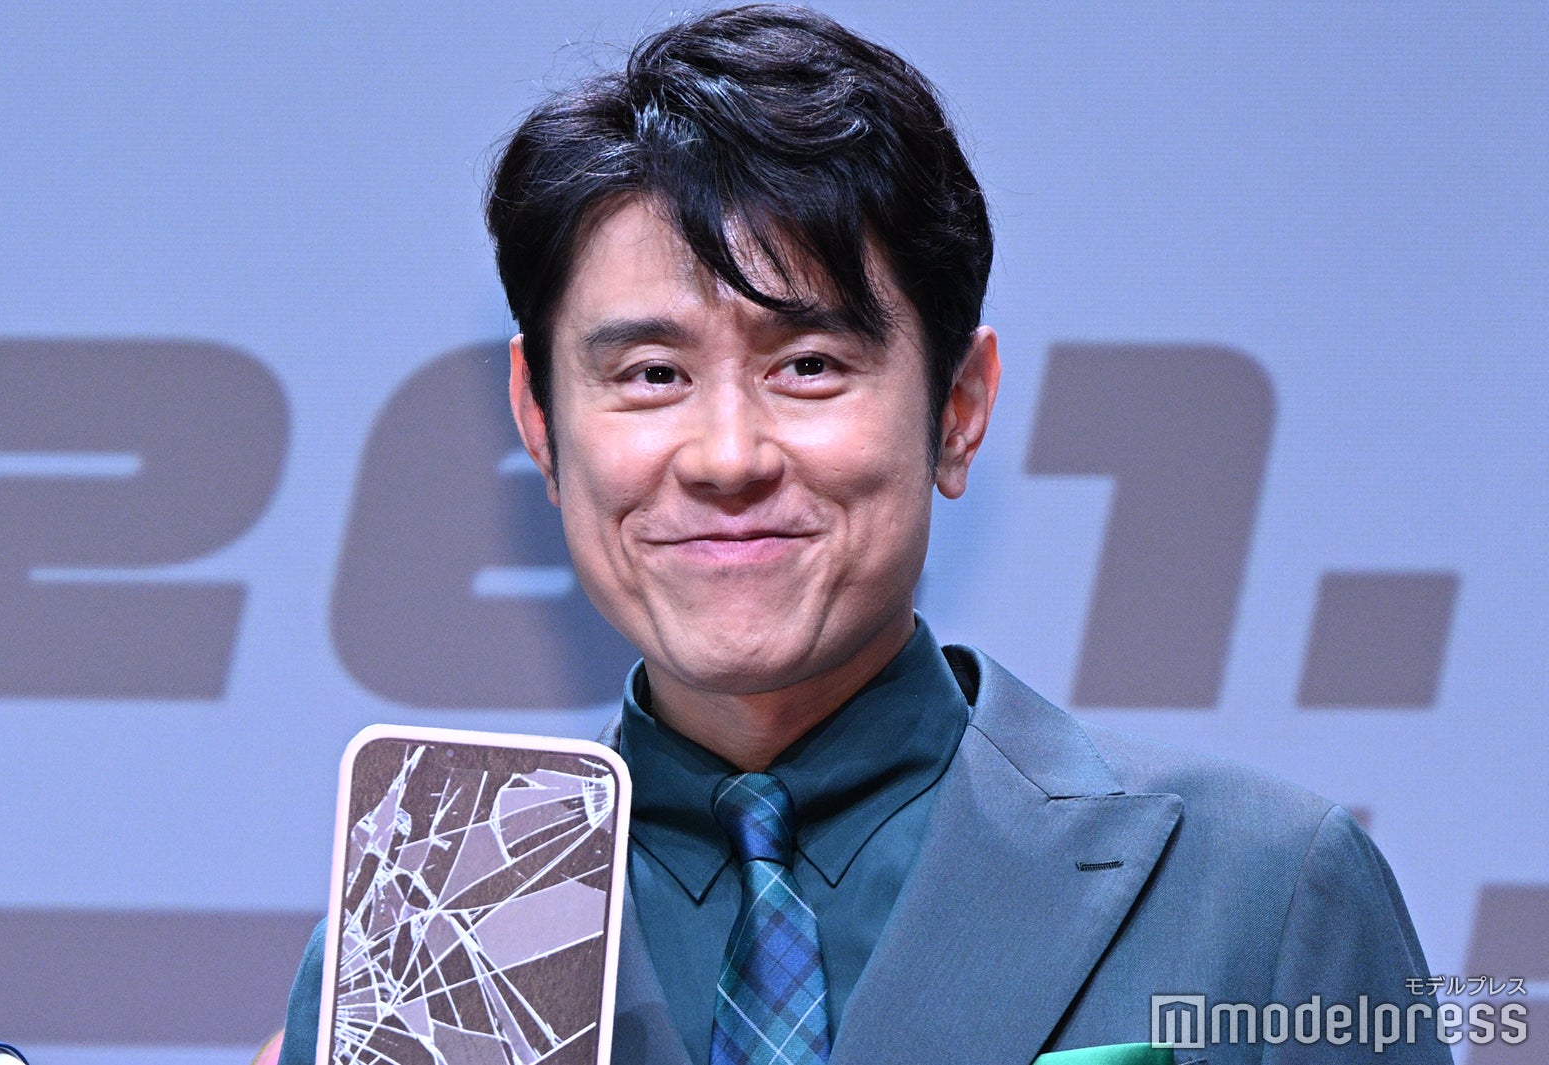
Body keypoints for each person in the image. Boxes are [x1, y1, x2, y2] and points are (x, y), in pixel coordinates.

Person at [279, 6, 1452, 1063]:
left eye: (808, 365)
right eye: (650, 375)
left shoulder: (1260, 892)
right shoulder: (418, 949)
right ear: (540, 422)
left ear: (958, 406)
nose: (725, 456)